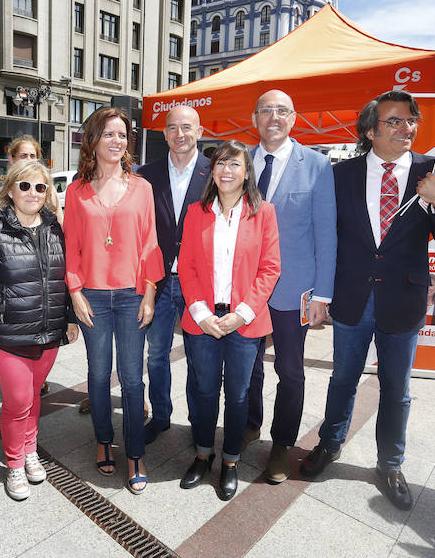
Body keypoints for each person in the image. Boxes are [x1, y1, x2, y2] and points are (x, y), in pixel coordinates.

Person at [300, 90, 435, 511]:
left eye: (410, 120)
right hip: (353, 296)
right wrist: (319, 292)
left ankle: (390, 465)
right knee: (343, 379)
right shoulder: (342, 175)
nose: (404, 127)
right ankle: (330, 444)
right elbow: (326, 236)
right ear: (370, 130)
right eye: (393, 121)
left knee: (397, 388)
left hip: (403, 298)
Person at [63, 107, 163, 494]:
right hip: (92, 295)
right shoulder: (76, 190)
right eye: (108, 134)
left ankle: (135, 453)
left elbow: (151, 243)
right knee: (99, 376)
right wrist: (74, 291)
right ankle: (104, 441)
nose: (116, 141)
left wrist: (151, 292)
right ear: (93, 140)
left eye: (122, 135)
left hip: (132, 294)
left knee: (133, 379)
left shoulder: (142, 188)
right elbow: (71, 246)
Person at [0, 160, 78, 500]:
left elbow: (67, 274)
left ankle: (30, 450)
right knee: (17, 402)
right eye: (25, 186)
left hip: (48, 333)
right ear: (11, 189)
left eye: (40, 187)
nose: (32, 193)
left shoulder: (55, 227)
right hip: (8, 335)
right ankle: (14, 464)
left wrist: (70, 318)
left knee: (31, 399)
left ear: (47, 193)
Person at [242, 89, 337, 484]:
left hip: (292, 290)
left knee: (290, 370)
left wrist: (322, 295)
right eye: (266, 111)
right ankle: (249, 425)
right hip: (244, 288)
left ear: (294, 118)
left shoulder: (317, 165)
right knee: (247, 368)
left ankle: (281, 444)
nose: (274, 117)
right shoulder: (238, 162)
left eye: (282, 111)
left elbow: (326, 234)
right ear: (255, 118)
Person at [177, 141, 280, 501]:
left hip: (245, 321)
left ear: (247, 171)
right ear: (212, 171)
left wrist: (242, 313)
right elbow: (186, 266)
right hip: (203, 319)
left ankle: (231, 462)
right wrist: (202, 312)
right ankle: (203, 454)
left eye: (235, 164)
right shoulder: (195, 212)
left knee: (237, 395)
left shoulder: (263, 212)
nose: (227, 170)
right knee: (205, 392)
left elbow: (270, 268)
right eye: (221, 163)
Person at [137, 105, 211, 445]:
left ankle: (199, 424)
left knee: (199, 358)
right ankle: (162, 416)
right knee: (156, 354)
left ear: (199, 131)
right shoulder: (145, 175)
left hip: (200, 283)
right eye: (172, 128)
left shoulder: (216, 173)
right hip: (159, 281)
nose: (179, 134)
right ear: (164, 134)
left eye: (187, 127)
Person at [0, 135, 63, 225]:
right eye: (24, 156)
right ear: (11, 159)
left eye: (32, 156)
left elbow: (60, 223)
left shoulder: (49, 190)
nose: (29, 160)